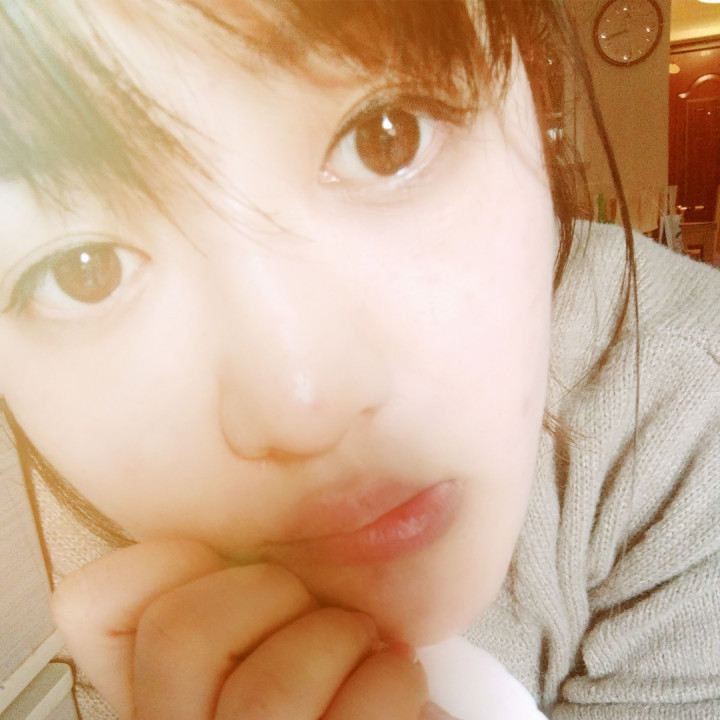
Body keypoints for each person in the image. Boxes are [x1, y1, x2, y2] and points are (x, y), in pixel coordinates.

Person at [1, 1, 719, 718]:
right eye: (83, 271)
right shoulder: (96, 521)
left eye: (386, 138)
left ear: (532, 77)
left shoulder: (691, 404)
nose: (303, 406)